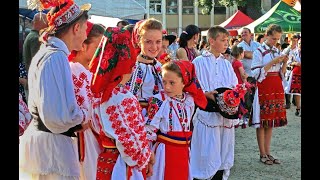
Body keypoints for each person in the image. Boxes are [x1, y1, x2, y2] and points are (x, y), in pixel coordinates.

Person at [19, 0, 92, 179]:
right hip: (51, 147)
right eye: (84, 30)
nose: (85, 36)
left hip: (45, 142)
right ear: (76, 28)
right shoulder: (55, 57)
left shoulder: (48, 52)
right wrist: (82, 117)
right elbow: (57, 117)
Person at [88, 27, 154, 179]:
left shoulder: (97, 91)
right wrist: (144, 158)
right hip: (121, 166)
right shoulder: (122, 97)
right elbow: (130, 141)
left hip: (105, 160)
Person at [191, 26, 239, 180]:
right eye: (223, 40)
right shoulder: (198, 61)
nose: (226, 44)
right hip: (207, 113)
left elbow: (234, 84)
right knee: (207, 152)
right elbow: (192, 86)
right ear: (211, 41)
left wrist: (234, 95)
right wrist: (205, 94)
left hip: (225, 116)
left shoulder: (226, 64)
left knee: (223, 152)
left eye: (227, 41)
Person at [146, 60, 207, 180]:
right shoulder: (159, 100)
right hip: (165, 152)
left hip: (183, 150)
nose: (167, 87)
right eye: (164, 82)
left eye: (172, 83)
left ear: (184, 82)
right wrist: (148, 153)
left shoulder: (189, 101)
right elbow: (149, 129)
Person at [68, 21, 105, 180]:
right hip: (78, 138)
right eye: (98, 47)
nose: (102, 52)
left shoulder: (93, 73)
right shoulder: (71, 70)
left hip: (95, 137)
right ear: (83, 46)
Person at [250, 24, 288, 165]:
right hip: (264, 87)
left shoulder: (276, 50)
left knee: (270, 121)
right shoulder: (258, 52)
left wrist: (284, 62)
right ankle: (262, 153)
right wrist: (273, 62)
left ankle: (268, 152)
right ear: (266, 36)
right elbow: (255, 73)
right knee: (262, 121)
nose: (275, 42)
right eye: (273, 39)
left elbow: (282, 73)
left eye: (277, 39)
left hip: (275, 86)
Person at [126, 18, 164, 119]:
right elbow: (127, 100)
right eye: (148, 42)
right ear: (139, 41)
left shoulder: (159, 66)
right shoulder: (133, 68)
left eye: (158, 42)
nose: (154, 46)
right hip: (140, 122)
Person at [284, 37, 301, 116]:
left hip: (296, 72)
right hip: (295, 73)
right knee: (295, 91)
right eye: (299, 43)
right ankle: (297, 107)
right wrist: (295, 63)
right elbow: (288, 61)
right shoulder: (294, 51)